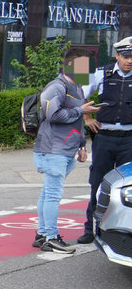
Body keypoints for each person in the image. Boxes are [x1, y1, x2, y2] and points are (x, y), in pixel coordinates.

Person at [31, 47, 99, 254]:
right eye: (82, 66)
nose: (87, 71)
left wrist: (81, 146)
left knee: (48, 193)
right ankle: (51, 237)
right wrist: (82, 110)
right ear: (69, 65)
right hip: (52, 149)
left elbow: (76, 121)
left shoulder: (76, 87)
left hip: (66, 149)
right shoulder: (56, 87)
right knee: (52, 195)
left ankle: (43, 234)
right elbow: (53, 115)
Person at [79, 35, 132, 244]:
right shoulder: (102, 73)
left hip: (129, 139)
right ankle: (89, 229)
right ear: (117, 55)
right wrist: (86, 117)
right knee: (97, 183)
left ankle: (122, 232)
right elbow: (79, 94)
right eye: (126, 56)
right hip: (105, 138)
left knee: (127, 187)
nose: (130, 61)